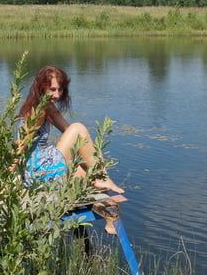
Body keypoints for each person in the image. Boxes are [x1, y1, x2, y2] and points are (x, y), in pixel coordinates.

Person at [15, 65, 125, 195]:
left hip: (35, 169)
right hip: (37, 171)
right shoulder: (39, 111)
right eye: (52, 89)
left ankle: (99, 178)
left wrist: (94, 152)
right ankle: (103, 178)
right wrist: (6, 175)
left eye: (60, 89)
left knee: (84, 169)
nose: (57, 94)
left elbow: (69, 132)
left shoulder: (46, 106)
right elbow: (20, 146)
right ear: (41, 87)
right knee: (78, 127)